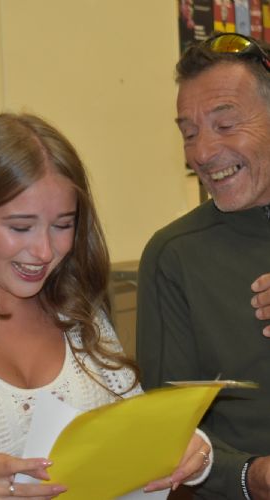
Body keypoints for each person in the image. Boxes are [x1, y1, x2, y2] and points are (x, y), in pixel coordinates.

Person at [0, 113, 212, 499]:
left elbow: (138, 434)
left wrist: (190, 449)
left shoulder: (81, 317)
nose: (44, 251)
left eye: (63, 225)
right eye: (20, 227)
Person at [136, 33, 270, 499]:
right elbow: (165, 432)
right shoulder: (175, 256)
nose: (203, 153)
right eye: (189, 133)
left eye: (225, 124)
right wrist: (251, 476)